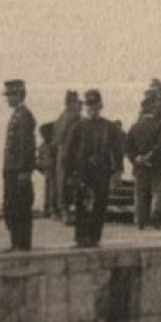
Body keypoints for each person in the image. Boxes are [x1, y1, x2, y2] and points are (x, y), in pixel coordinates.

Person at [67, 89, 124, 248]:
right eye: (89, 106)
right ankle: (80, 237)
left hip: (101, 172)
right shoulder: (78, 127)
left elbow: (117, 150)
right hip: (83, 172)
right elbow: (70, 151)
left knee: (99, 204)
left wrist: (118, 170)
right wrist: (70, 173)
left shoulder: (109, 127)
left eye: (95, 106)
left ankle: (94, 238)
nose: (92, 109)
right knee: (81, 204)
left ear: (100, 106)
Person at [0, 79, 37, 251]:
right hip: (11, 169)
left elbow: (26, 146)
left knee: (20, 206)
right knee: (12, 205)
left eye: (10, 95)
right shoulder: (18, 115)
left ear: (19, 95)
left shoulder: (24, 116)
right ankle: (16, 242)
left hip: (18, 170)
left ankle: (22, 243)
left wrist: (24, 170)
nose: (8, 99)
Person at [125, 95, 161, 230]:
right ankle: (155, 215)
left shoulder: (134, 127)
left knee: (140, 193)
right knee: (158, 191)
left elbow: (127, 147)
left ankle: (140, 220)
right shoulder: (160, 126)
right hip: (156, 165)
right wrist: (149, 157)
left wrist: (136, 158)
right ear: (152, 109)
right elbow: (160, 145)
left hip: (139, 166)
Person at [51, 89, 81, 222]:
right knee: (68, 182)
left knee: (61, 181)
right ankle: (65, 212)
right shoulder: (73, 118)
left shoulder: (61, 118)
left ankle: (59, 210)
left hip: (62, 154)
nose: (80, 107)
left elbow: (55, 139)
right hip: (69, 154)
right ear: (71, 103)